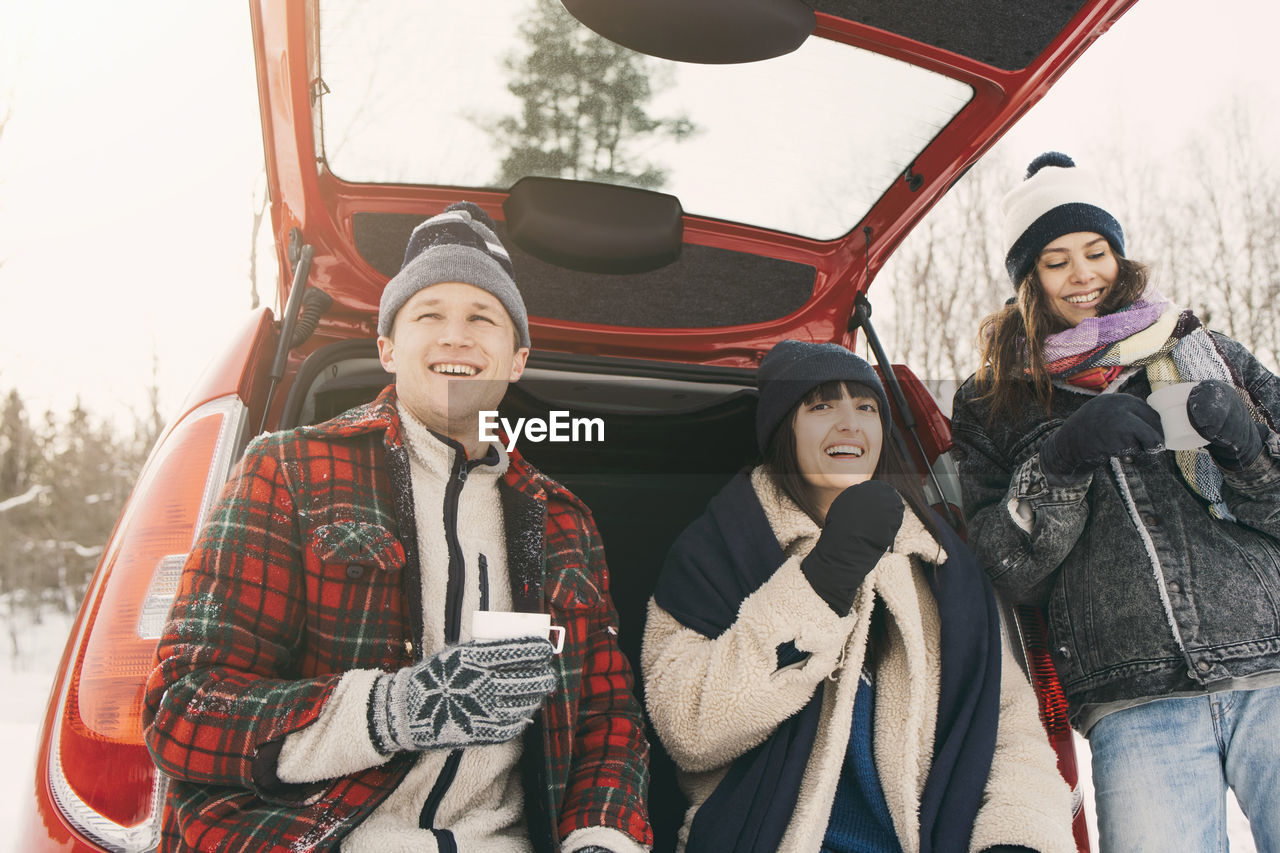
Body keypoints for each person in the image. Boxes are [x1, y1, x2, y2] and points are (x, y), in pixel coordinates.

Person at [144, 202, 652, 853]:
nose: (455, 336)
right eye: (428, 314)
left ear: (517, 357)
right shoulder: (290, 471)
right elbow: (184, 709)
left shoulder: (562, 521)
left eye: (482, 317)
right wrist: (396, 708)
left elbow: (606, 721)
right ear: (386, 346)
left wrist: (601, 839)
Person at [951, 152, 1280, 852]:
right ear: (1028, 279)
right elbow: (1008, 568)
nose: (1083, 275)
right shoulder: (993, 402)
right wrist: (1061, 462)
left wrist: (1248, 443)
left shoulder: (1210, 354)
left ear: (1119, 256)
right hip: (1134, 698)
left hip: (1271, 669)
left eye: (1096, 252)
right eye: (1057, 260)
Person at [642, 339, 1075, 853]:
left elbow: (1009, 730)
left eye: (866, 408)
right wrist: (821, 582)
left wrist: (1017, 840)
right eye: (822, 405)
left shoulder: (941, 561)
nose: (850, 423)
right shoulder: (717, 548)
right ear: (785, 430)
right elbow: (687, 729)